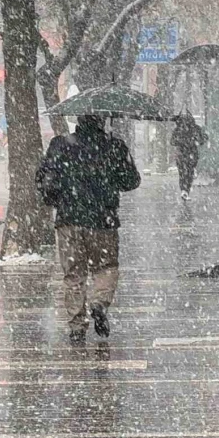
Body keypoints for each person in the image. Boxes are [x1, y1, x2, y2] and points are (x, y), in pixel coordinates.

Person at [36, 115, 141, 344]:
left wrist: (58, 199)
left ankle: (76, 326)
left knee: (73, 273)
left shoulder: (60, 144)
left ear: (78, 121)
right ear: (102, 121)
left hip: (69, 221)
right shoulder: (113, 145)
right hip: (103, 221)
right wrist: (116, 161)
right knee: (106, 267)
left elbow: (44, 180)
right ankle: (99, 303)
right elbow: (132, 181)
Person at [171, 112, 208, 200]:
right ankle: (186, 190)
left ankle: (184, 190)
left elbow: (172, 142)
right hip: (192, 154)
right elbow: (201, 140)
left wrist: (181, 142)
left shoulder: (178, 129)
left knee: (182, 173)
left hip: (181, 154)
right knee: (189, 173)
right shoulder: (196, 128)